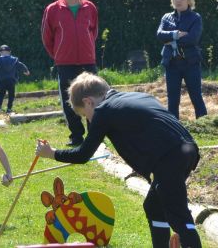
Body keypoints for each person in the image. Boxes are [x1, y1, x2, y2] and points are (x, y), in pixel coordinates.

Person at [35, 72, 202, 248]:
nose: (88, 120)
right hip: (187, 149)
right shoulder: (137, 96)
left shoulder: (103, 110)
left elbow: (83, 154)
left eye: (85, 115)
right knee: (154, 207)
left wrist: (51, 153)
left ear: (88, 102)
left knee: (178, 215)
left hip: (169, 157)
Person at [41, 0, 98, 146]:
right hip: (64, 63)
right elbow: (47, 37)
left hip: (88, 61)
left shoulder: (90, 7)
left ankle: (94, 135)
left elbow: (93, 32)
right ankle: (76, 136)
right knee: (69, 100)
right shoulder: (52, 9)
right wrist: (59, 54)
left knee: (93, 97)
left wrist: (87, 48)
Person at [157, 0, 207, 119]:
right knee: (172, 99)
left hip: (191, 62)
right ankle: (174, 126)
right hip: (171, 64)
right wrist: (176, 34)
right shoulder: (166, 17)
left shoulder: (195, 17)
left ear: (189, 1)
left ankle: (204, 124)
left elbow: (192, 39)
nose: (178, 1)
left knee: (196, 95)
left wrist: (170, 40)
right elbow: (160, 35)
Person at [0, 45, 30, 114]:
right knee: (11, 94)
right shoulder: (14, 59)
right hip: (11, 80)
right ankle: (9, 108)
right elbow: (21, 65)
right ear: (10, 52)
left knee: (1, 93)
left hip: (1, 80)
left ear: (0, 52)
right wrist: (26, 71)